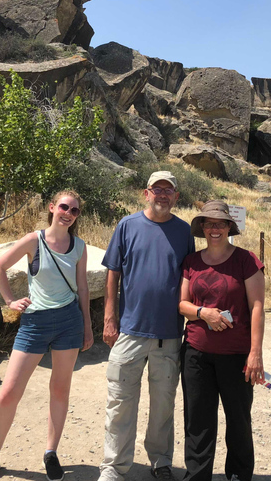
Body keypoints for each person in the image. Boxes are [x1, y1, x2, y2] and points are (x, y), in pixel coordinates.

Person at [0, 190, 94, 481]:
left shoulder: (79, 246)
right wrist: (10, 301)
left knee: (60, 389)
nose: (68, 213)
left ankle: (51, 453)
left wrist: (88, 327)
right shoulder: (34, 240)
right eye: (64, 207)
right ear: (52, 208)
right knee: (10, 391)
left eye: (74, 211)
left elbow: (83, 288)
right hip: (35, 322)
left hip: (68, 321)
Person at [98, 171, 195, 481]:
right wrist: (109, 318)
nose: (163, 195)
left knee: (163, 406)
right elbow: (113, 273)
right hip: (129, 330)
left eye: (169, 190)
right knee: (120, 403)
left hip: (168, 334)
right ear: (146, 193)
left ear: (176, 197)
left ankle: (161, 461)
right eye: (157, 189)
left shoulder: (183, 232)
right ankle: (114, 467)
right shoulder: (127, 226)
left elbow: (189, 278)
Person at [178, 200, 266, 481]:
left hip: (236, 355)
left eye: (220, 223)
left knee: (238, 421)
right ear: (202, 227)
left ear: (229, 226)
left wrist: (255, 353)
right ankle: (197, 476)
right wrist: (205, 313)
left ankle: (238, 475)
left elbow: (257, 307)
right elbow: (182, 305)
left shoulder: (246, 260)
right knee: (198, 422)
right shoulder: (191, 262)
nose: (214, 229)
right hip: (196, 353)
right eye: (209, 223)